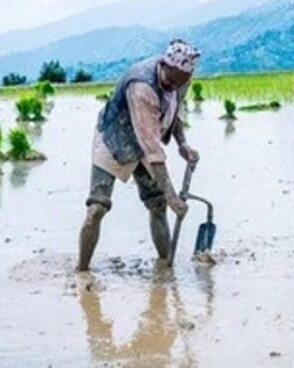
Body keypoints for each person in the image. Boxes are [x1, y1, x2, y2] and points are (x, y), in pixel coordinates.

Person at [76, 39, 201, 272]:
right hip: (115, 138)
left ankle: (165, 268)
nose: (173, 87)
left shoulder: (180, 79)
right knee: (97, 208)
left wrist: (182, 143)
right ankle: (81, 272)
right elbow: (152, 148)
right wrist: (174, 197)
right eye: (170, 81)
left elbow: (176, 110)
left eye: (179, 84)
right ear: (163, 64)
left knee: (158, 206)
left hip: (149, 135)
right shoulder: (141, 85)